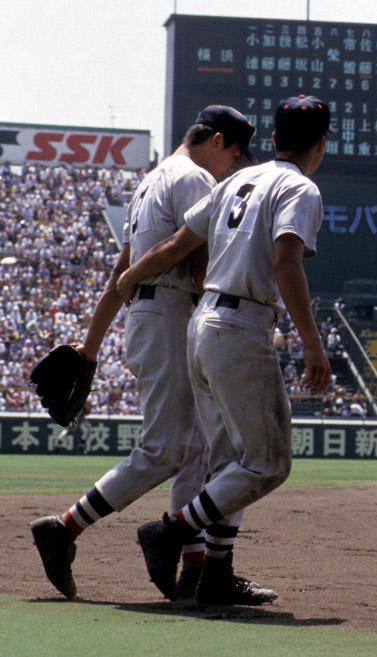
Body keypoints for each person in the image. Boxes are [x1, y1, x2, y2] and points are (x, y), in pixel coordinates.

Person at [30, 105, 274, 604]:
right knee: (166, 448)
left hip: (152, 312)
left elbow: (123, 270)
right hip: (170, 313)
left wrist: (91, 348)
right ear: (218, 140)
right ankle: (64, 528)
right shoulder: (193, 178)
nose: (231, 166)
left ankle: (194, 570)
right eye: (233, 154)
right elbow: (200, 260)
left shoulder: (150, 182)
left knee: (197, 448)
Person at [114, 94, 334, 605]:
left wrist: (128, 278)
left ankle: (216, 574)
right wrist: (311, 341)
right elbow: (286, 263)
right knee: (267, 462)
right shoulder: (301, 187)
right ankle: (169, 531)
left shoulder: (234, 179)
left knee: (228, 461)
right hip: (241, 324)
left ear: (275, 139)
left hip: (200, 322)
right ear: (319, 146)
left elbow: (173, 247)